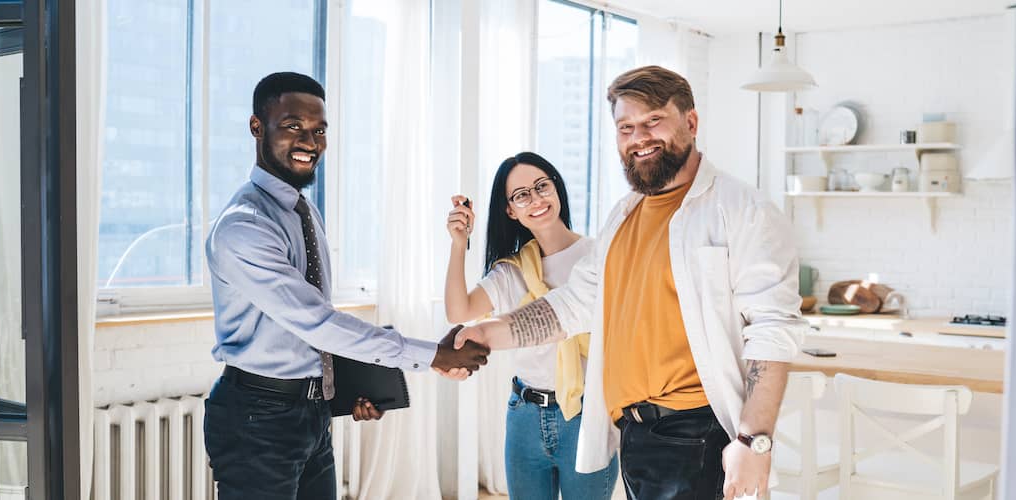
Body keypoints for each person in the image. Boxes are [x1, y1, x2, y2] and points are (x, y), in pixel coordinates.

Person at [453, 66, 807, 499]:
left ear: (691, 123)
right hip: (636, 434)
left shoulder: (743, 209)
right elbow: (573, 304)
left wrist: (754, 441)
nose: (639, 137)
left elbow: (772, 332)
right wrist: (485, 334)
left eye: (653, 121)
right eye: (626, 128)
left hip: (699, 433)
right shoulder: (623, 216)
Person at [202, 71, 488, 500]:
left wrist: (346, 389)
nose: (310, 142)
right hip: (258, 420)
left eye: (319, 130)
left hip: (310, 412)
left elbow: (305, 328)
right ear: (256, 127)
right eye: (293, 126)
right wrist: (434, 356)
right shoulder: (245, 227)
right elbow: (317, 322)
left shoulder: (304, 211)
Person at [443, 152, 619, 499]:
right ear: (510, 210)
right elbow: (458, 311)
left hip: (586, 415)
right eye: (522, 195)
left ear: (557, 189)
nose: (536, 199)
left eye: (542, 186)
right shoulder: (512, 270)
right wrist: (459, 243)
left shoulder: (600, 258)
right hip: (525, 415)